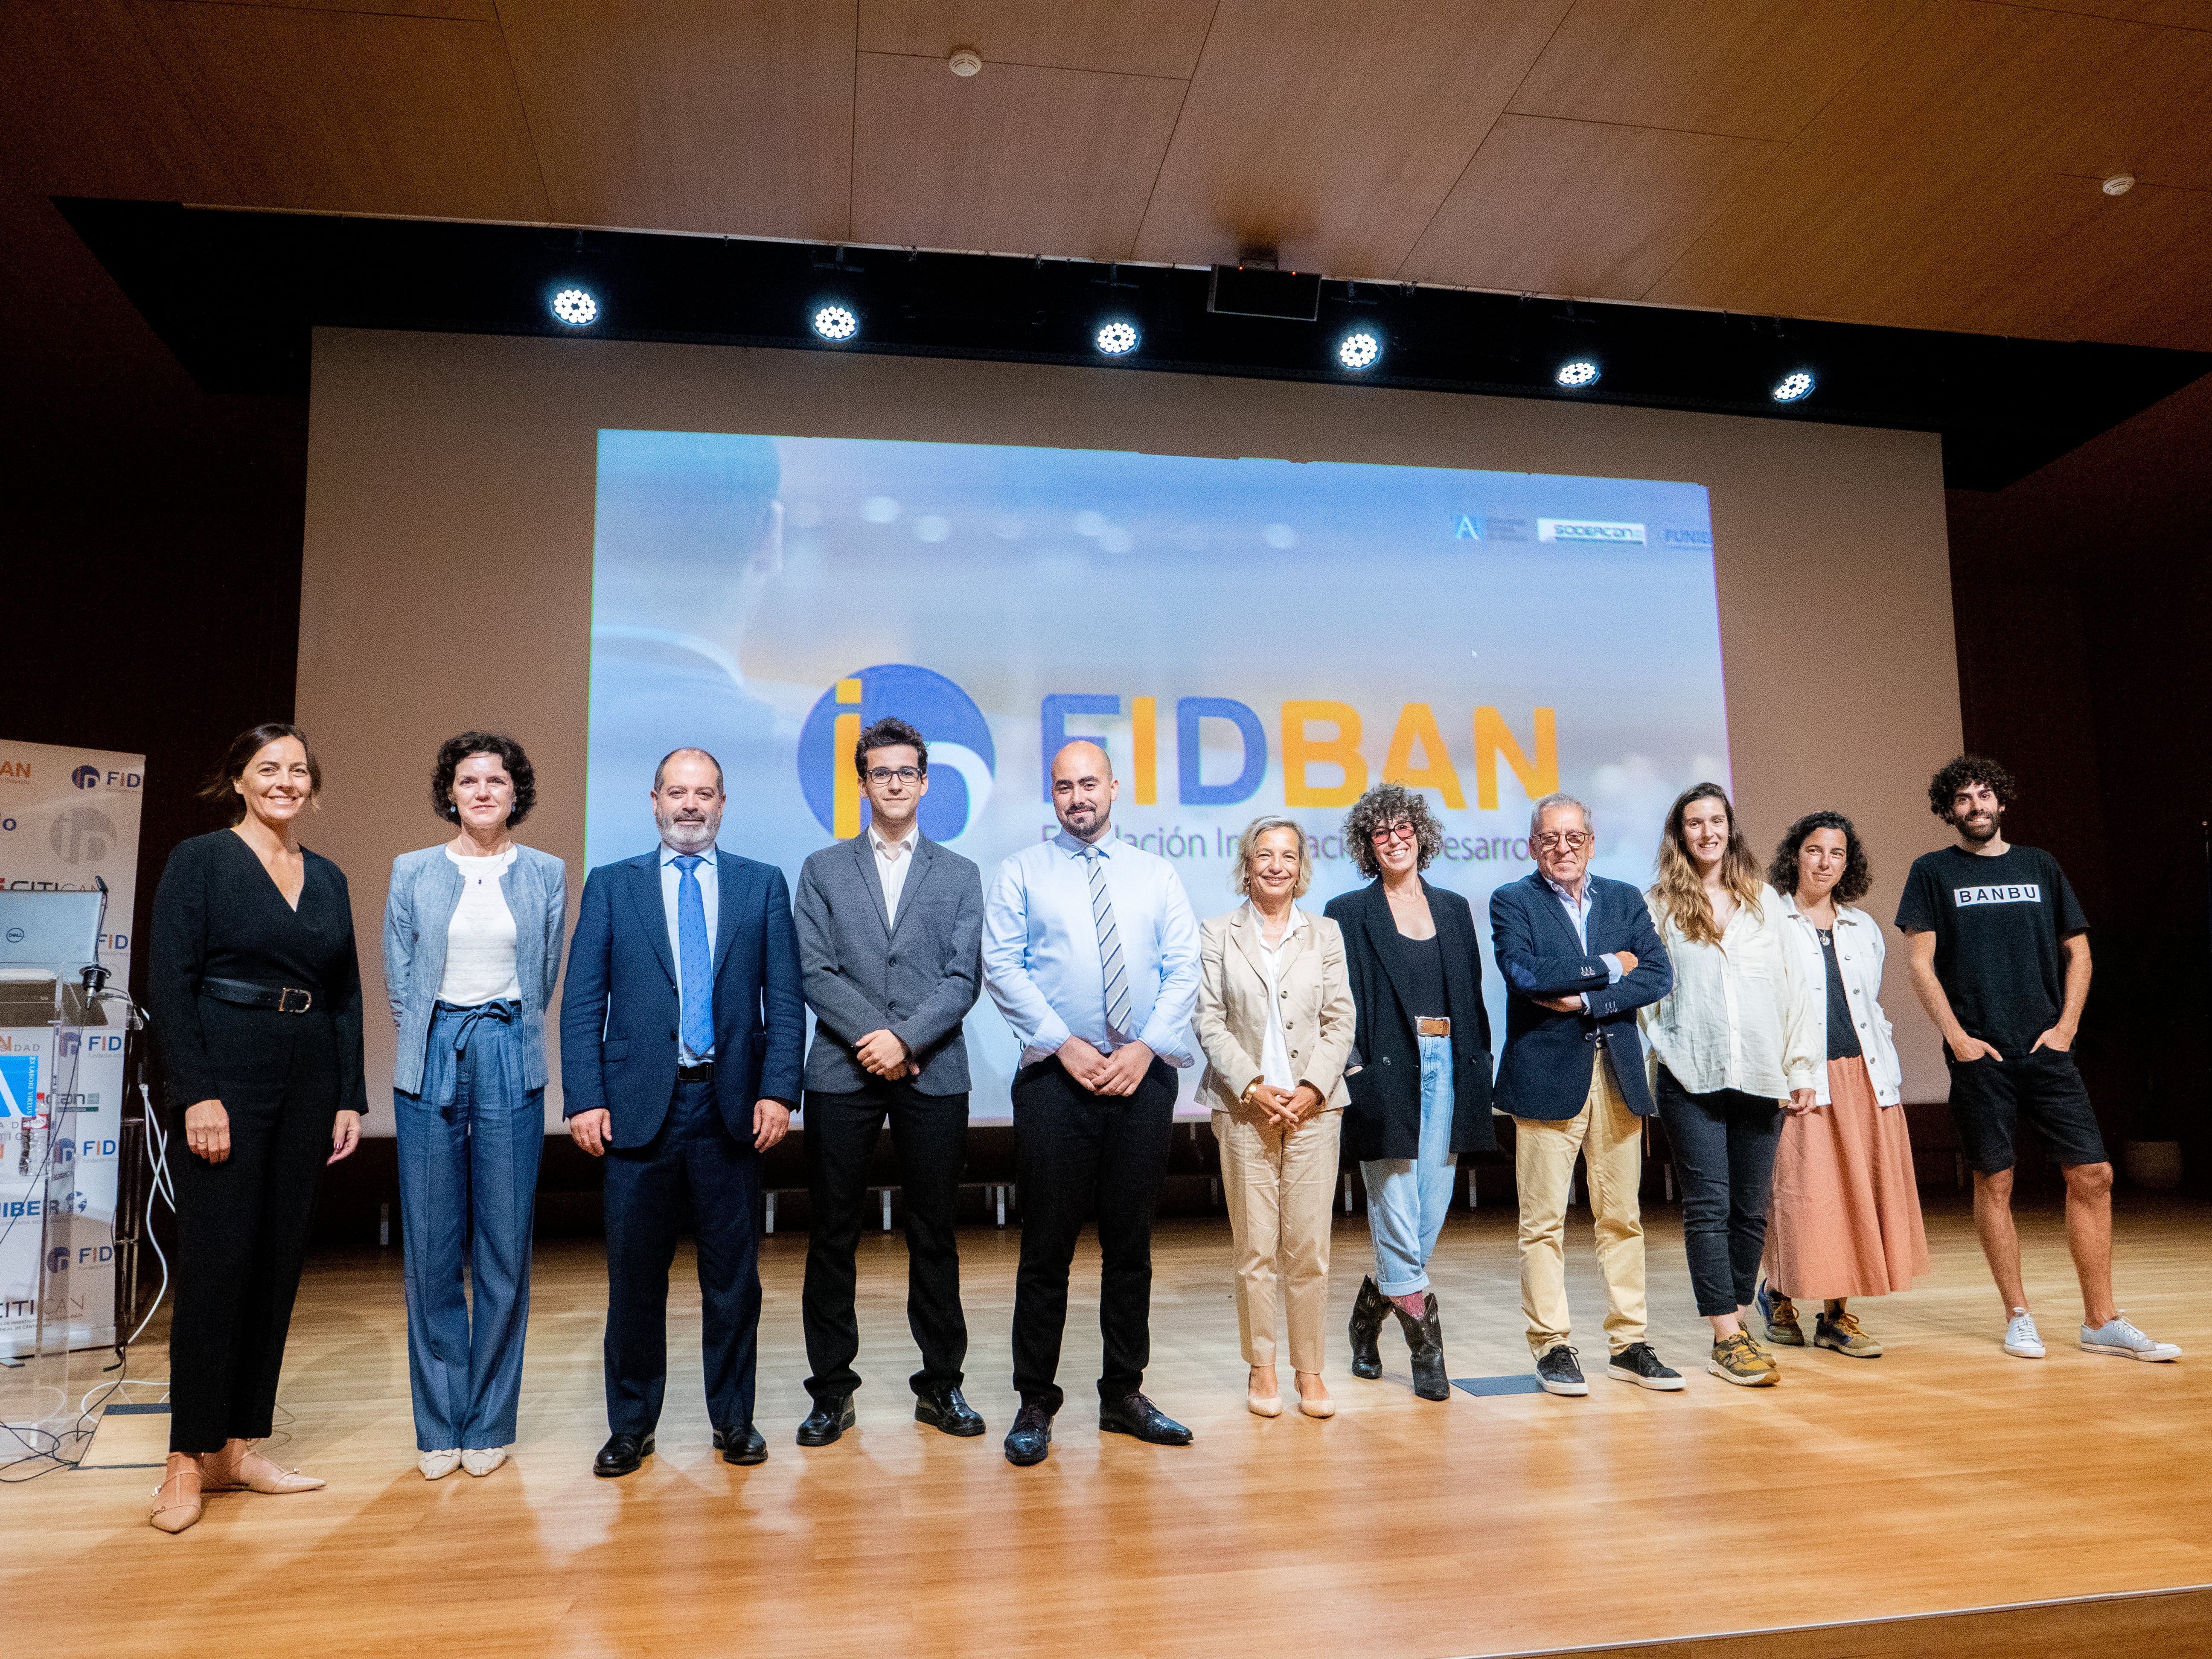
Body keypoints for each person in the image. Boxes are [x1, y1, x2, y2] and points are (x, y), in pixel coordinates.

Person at [559, 746, 806, 1477]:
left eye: (704, 793)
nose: (690, 804)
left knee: (733, 1281)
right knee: (635, 1278)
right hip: (638, 1110)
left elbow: (785, 1005)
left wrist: (776, 1089)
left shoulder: (762, 886)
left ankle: (734, 1420)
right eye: (677, 792)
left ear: (723, 803)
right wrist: (586, 1096)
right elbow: (581, 1004)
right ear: (654, 800)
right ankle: (631, 1425)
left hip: (730, 1107)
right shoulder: (612, 886)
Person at [145, 724, 366, 1534]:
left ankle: (238, 1444)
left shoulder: (330, 876)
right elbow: (170, 979)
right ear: (237, 779)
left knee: (275, 1261)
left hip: (308, 1073)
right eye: (268, 768)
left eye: (299, 769)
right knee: (218, 1262)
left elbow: (344, 993)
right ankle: (183, 1457)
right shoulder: (200, 860)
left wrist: (349, 1094)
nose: (285, 781)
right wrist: (197, 1092)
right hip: (227, 1073)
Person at [1898, 755, 2180, 1362]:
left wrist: (2066, 1027)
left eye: (1985, 796)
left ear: (2002, 802)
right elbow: (1920, 963)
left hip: (2048, 1052)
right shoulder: (1932, 872)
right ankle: (2018, 1315)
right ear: (1949, 811)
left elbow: (2079, 953)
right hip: (1981, 1056)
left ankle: (2101, 1320)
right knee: (1995, 1180)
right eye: (1963, 800)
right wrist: (1958, 1039)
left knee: (2094, 1175)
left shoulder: (2041, 866)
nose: (1976, 807)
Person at [981, 740, 1201, 1467]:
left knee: (1129, 1248)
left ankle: (1122, 1394)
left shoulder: (1155, 874)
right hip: (1054, 1079)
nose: (1077, 796)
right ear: (1052, 794)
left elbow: (1182, 967)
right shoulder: (1021, 871)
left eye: (1088, 783)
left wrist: (1142, 1049)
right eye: (1063, 786)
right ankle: (1034, 1400)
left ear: (1114, 787)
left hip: (1141, 1078)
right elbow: (1003, 967)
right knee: (1045, 1249)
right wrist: (1065, 1044)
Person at [793, 716, 986, 1446]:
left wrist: (903, 1039)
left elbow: (962, 976)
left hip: (932, 1069)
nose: (895, 783)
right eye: (881, 772)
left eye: (907, 772)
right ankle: (829, 1392)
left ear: (926, 780)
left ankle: (941, 1386)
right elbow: (814, 970)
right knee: (832, 1233)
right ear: (863, 781)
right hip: (842, 1069)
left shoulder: (960, 873)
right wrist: (875, 1039)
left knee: (933, 1233)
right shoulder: (821, 868)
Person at [384, 733, 567, 1480]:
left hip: (509, 1053)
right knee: (431, 1251)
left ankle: (489, 1420)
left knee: (502, 1248)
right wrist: (440, 1035)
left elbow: (544, 971)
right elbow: (401, 979)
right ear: (449, 792)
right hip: (431, 1057)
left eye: (497, 780)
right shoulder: (412, 870)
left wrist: (496, 1033)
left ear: (515, 792)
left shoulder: (547, 873)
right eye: (469, 780)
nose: (484, 791)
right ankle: (438, 1426)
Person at [1491, 792, 1679, 1397]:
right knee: (1542, 1223)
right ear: (1532, 846)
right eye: (1550, 839)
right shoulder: (1511, 901)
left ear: (1592, 843)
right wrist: (1610, 963)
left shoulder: (1625, 897)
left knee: (1622, 1217)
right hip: (1546, 1079)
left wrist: (1589, 996)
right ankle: (1552, 1346)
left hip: (1618, 1077)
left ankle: (1629, 1344)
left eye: (1574, 838)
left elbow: (1658, 973)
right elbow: (1528, 977)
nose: (1563, 849)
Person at [1639, 784, 1818, 1388]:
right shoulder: (1658, 905)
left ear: (1731, 829)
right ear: (1680, 833)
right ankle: (1726, 1334)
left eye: (1717, 820)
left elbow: (1794, 992)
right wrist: (1664, 1049)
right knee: (1709, 1207)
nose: (1707, 832)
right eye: (1695, 823)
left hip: (1762, 1075)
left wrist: (1800, 1069)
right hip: (1691, 1075)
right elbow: (1647, 998)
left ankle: (1736, 1321)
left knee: (1749, 1210)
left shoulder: (1766, 903)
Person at [1322, 783, 1496, 1403]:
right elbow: (1335, 1004)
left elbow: (1472, 997)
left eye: (1403, 829)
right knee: (1394, 1208)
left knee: (1428, 1213)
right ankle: (1427, 1351)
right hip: (1384, 1073)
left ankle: (1367, 1318)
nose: (1395, 840)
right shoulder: (1346, 911)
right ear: (1368, 847)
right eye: (1380, 833)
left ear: (1421, 834)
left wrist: (1480, 1066)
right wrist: (1352, 1069)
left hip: (1448, 1064)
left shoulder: (1452, 907)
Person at [1196, 815, 1357, 1419]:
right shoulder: (1217, 933)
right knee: (1256, 1249)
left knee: (1309, 1249)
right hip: (1245, 1110)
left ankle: (1309, 1372)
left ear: (1301, 866)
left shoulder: (1327, 935)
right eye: (1265, 854)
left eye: (1288, 855)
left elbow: (1341, 1020)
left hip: (1316, 1109)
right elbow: (1208, 1019)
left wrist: (1314, 1085)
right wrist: (1254, 1084)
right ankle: (1261, 1367)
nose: (1276, 865)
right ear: (1247, 863)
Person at [1758, 811, 1929, 1356]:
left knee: (1855, 1200)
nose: (1825, 862)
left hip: (1863, 1077)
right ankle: (1777, 1295)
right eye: (1814, 850)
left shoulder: (1864, 928)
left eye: (1836, 853)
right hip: (1801, 1081)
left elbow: (1869, 1007)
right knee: (1801, 1199)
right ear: (1795, 856)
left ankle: (1836, 1317)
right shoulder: (1770, 922)